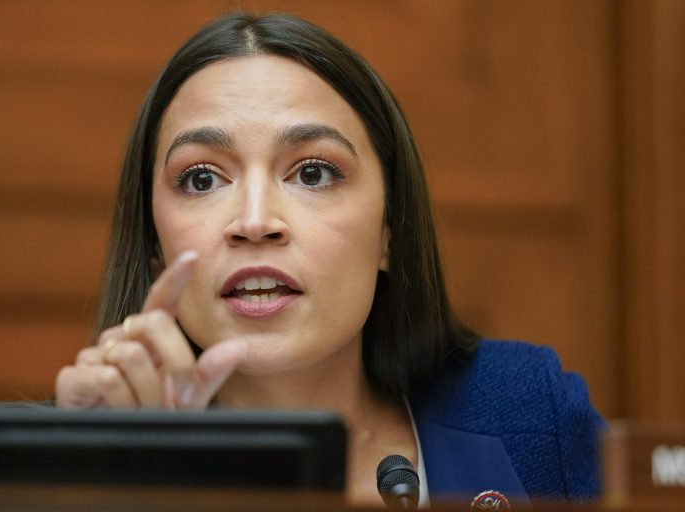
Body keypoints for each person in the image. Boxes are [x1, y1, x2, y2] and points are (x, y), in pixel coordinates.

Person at [55, 12, 604, 506]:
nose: (254, 222)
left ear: (389, 229)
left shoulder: (531, 415)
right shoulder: (79, 466)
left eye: (312, 172)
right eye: (202, 179)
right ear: (154, 245)